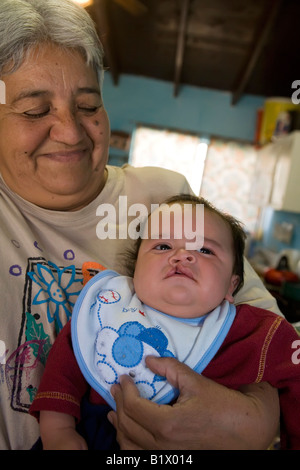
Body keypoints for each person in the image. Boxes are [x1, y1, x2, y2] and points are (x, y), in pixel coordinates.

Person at [0, 0, 282, 450]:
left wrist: (255, 422)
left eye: (88, 105)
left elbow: (266, 343)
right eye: (35, 111)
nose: (71, 132)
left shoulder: (166, 202)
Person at [29, 195, 300, 450]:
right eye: (163, 246)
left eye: (205, 250)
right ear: (135, 271)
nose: (182, 255)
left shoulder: (249, 331)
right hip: (89, 433)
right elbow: (65, 364)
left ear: (231, 286)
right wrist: (58, 430)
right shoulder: (110, 305)